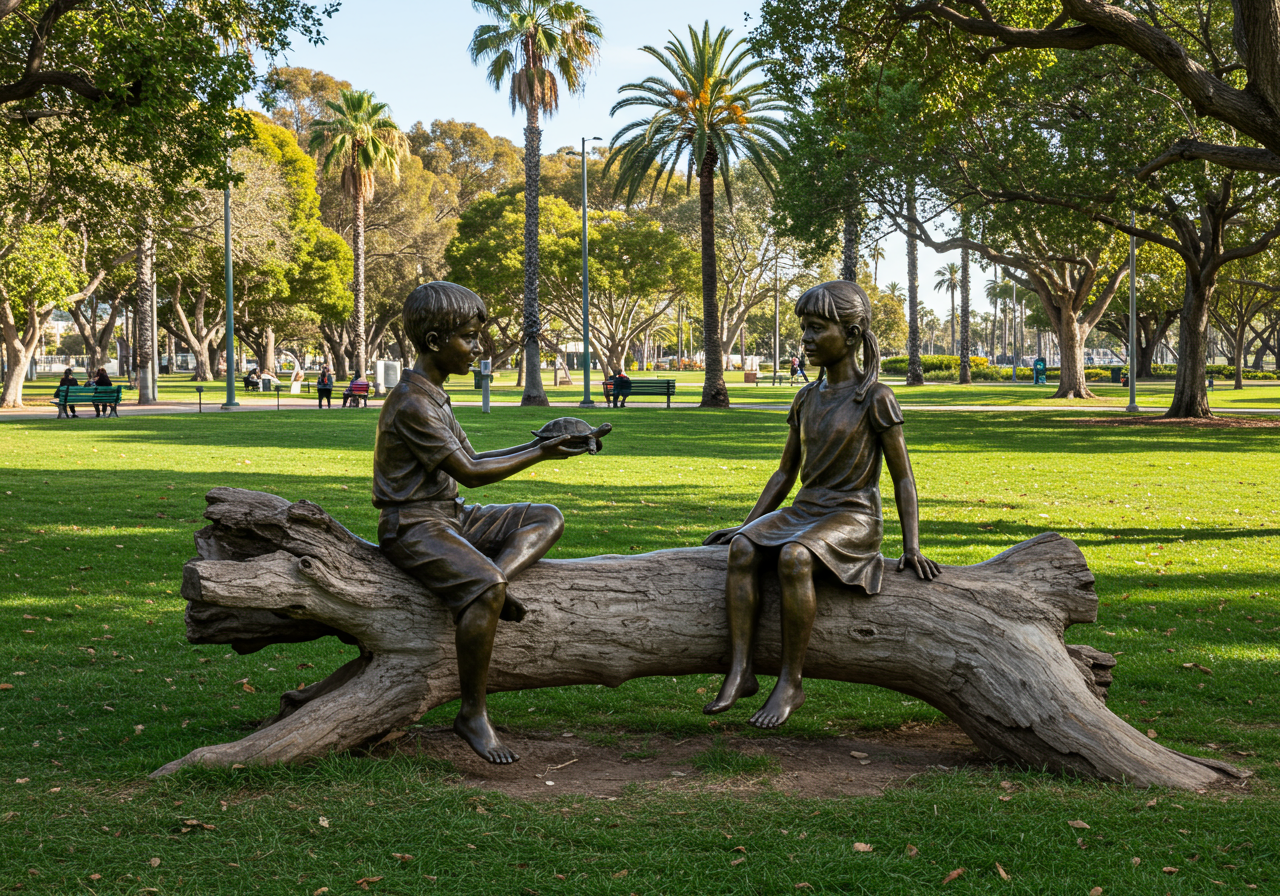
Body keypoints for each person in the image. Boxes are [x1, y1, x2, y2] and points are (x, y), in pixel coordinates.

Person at [703, 280, 939, 730]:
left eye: (816, 329)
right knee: (742, 550)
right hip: (806, 507)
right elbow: (784, 474)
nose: (806, 340)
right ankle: (740, 670)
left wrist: (912, 547)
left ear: (851, 335)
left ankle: (791, 681)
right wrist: (745, 526)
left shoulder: (875, 398)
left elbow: (903, 477)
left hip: (854, 516)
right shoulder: (806, 397)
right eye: (804, 330)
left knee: (794, 557)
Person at [374, 281, 588, 764]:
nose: (477, 349)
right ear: (434, 342)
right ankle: (473, 712)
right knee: (485, 587)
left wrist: (548, 442)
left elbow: (472, 456)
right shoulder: (412, 402)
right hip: (412, 525)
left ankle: (495, 585)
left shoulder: (433, 393)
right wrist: (541, 453)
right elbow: (470, 474)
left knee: (546, 517)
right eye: (469, 338)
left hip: (451, 517)